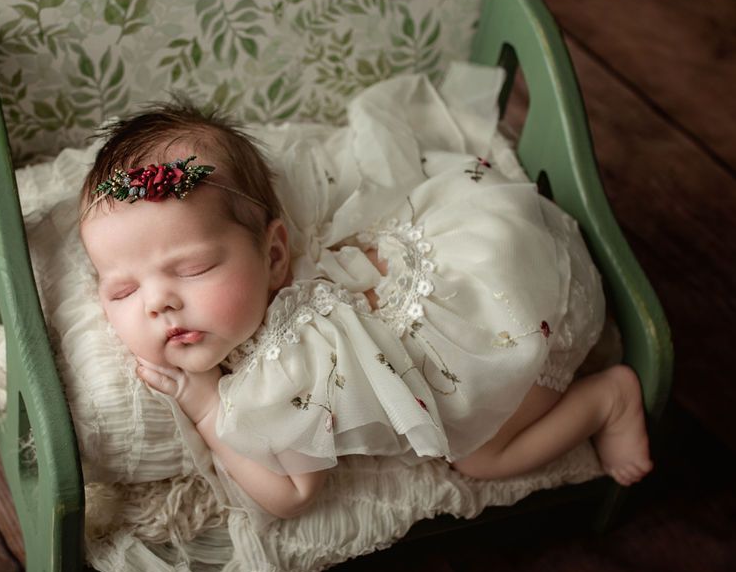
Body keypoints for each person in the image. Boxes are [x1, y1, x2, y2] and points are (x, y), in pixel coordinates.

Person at [78, 81, 652, 520]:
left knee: (479, 457)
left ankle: (608, 400)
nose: (158, 304)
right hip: (476, 246)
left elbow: (292, 496)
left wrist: (206, 406)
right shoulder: (261, 271)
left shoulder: (291, 367)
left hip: (507, 320)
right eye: (122, 290)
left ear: (275, 255)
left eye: (194, 269)